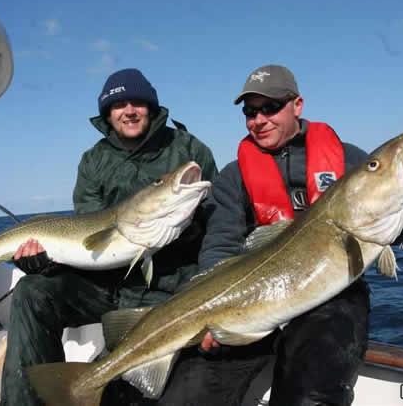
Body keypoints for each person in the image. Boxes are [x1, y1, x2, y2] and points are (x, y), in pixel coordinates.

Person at [0, 68, 218, 406]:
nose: (129, 111)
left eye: (138, 103)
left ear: (152, 107)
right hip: (106, 285)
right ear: (107, 114)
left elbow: (217, 223)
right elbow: (88, 239)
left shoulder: (187, 150)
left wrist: (186, 230)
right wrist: (42, 262)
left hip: (170, 286)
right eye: (118, 105)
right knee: (32, 292)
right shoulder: (93, 161)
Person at [158, 64, 372, 406]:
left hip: (329, 296)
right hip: (247, 304)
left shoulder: (350, 161)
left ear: (297, 105)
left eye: (270, 108)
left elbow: (391, 224)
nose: (259, 120)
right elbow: (219, 249)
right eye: (250, 112)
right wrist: (210, 315)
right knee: (186, 394)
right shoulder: (233, 177)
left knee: (310, 394)